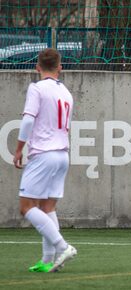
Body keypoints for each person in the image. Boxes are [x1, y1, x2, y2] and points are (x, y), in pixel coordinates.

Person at [13, 48, 77, 272]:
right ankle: (49, 260)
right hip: (62, 155)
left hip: (44, 154)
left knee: (26, 206)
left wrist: (19, 149)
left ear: (37, 67)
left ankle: (63, 247)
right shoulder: (67, 93)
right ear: (60, 68)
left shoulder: (37, 88)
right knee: (47, 206)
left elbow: (29, 120)